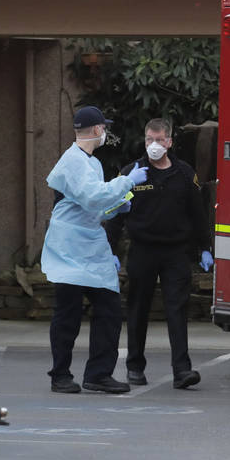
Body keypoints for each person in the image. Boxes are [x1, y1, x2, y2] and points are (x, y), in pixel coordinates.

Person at [42, 105, 147, 394]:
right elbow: (92, 196)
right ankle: (60, 375)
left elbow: (95, 204)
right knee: (67, 315)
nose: (106, 133)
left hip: (88, 245)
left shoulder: (92, 162)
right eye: (105, 128)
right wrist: (127, 182)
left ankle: (98, 374)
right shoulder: (74, 161)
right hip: (69, 248)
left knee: (109, 311)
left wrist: (118, 205)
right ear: (99, 130)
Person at [106, 118, 213, 390]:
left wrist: (204, 247)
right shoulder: (133, 173)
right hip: (143, 249)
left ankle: (182, 370)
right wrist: (110, 249)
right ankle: (134, 367)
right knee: (138, 309)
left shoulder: (185, 174)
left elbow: (198, 214)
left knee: (177, 310)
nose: (153, 145)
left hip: (176, 251)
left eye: (158, 140)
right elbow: (116, 214)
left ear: (169, 142)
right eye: (148, 140)